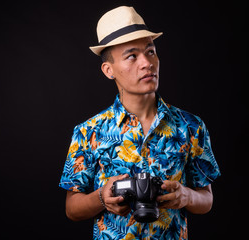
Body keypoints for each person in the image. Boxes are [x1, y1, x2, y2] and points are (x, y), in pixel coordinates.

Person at [58, 6, 220, 240]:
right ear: (108, 70)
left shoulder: (191, 126)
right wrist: (102, 197)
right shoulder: (88, 132)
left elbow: (207, 199)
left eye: (151, 52)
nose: (147, 63)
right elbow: (72, 209)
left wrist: (186, 196)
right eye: (132, 56)